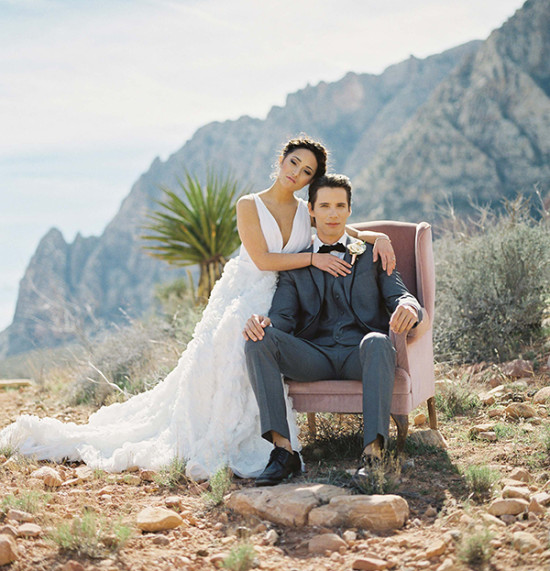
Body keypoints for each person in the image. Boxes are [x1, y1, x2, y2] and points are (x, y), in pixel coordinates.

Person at [0, 139, 397, 480]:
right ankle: (246, 441)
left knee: (262, 339)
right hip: (255, 287)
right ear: (281, 161)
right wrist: (312, 262)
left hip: (288, 295)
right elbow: (261, 259)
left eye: (307, 170)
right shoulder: (249, 204)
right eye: (293, 162)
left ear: (312, 182)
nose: (297, 172)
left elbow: (337, 228)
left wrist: (376, 236)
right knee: (231, 342)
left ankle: (289, 445)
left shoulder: (304, 210)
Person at [244, 173, 421, 486]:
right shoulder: (296, 263)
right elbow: (282, 316)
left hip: (361, 354)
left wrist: (409, 307)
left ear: (350, 211)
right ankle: (284, 453)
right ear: (310, 211)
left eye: (340, 205)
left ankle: (373, 454)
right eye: (324, 206)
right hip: (314, 357)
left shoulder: (373, 255)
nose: (333, 213)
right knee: (259, 340)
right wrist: (264, 323)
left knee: (379, 342)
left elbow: (401, 295)